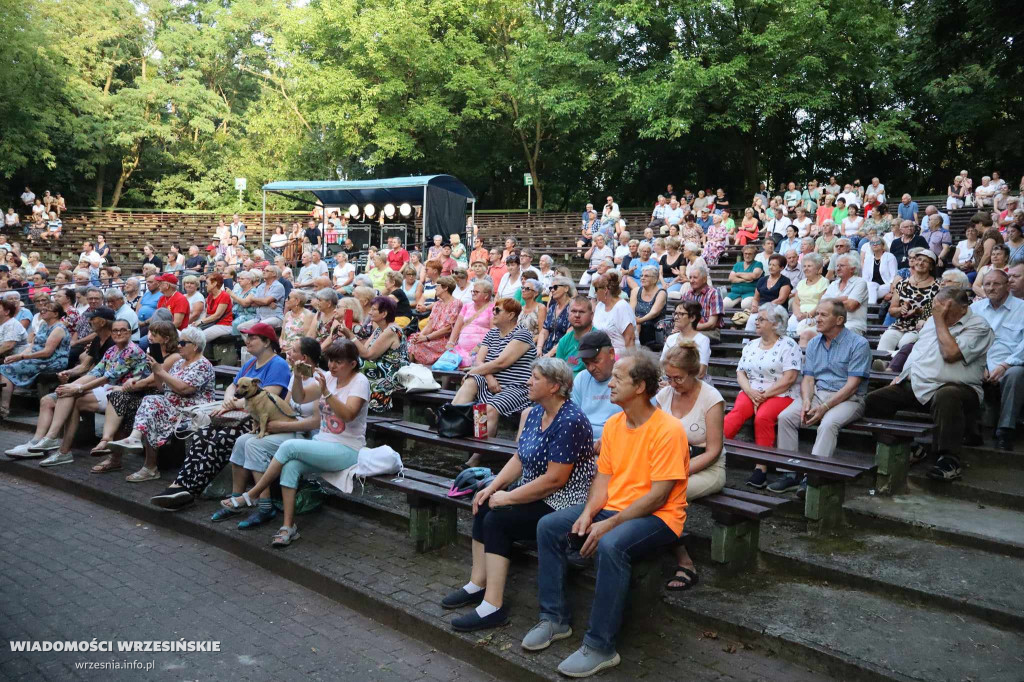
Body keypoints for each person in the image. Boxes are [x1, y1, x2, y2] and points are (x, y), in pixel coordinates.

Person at [525, 349, 687, 678]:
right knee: (549, 527)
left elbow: (658, 496)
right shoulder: (614, 425)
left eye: (618, 378)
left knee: (612, 545)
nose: (609, 383)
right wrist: (588, 514)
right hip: (615, 509)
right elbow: (603, 479)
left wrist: (608, 524)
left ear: (640, 386)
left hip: (660, 518)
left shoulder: (668, 430)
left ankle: (601, 646)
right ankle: (554, 619)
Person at [445, 359, 595, 631]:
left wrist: (509, 498)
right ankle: (477, 584)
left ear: (554, 386)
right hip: (537, 493)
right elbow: (520, 457)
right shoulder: (537, 411)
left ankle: (493, 607)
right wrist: (493, 487)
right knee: (483, 502)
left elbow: (555, 480)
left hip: (563, 502)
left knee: (497, 519)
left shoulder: (571, 420)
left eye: (535, 378)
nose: (528, 382)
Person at [218, 339, 369, 547]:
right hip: (323, 442)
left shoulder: (360, 382)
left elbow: (349, 415)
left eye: (338, 362)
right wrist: (297, 378)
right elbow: (301, 396)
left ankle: (252, 495)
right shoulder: (329, 378)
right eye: (331, 360)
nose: (332, 365)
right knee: (290, 465)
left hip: (348, 448)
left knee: (288, 447)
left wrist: (326, 393)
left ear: (352, 364)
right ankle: (288, 527)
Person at [148, 323, 291, 509]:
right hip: (236, 415)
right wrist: (229, 400)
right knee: (202, 434)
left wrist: (234, 403)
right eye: (247, 337)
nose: (247, 341)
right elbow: (232, 386)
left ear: (267, 342)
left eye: (253, 337)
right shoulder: (250, 363)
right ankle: (179, 484)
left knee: (221, 439)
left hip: (260, 421)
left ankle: (190, 490)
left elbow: (267, 396)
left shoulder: (278, 364)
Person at [864, 288, 993, 481]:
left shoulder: (979, 326)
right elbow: (919, 351)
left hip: (960, 388)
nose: (938, 313)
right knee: (873, 401)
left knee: (946, 395)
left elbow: (950, 354)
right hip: (921, 384)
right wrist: (903, 375)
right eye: (936, 309)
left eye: (945, 309)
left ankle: (949, 460)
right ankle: (909, 446)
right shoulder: (933, 322)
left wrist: (940, 320)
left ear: (964, 308)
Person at [7, 319, 149, 465]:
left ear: (130, 332)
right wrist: (71, 384)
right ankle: (55, 443)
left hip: (125, 394)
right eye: (115, 330)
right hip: (107, 391)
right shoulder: (112, 350)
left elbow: (107, 378)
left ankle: (58, 445)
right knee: (68, 394)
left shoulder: (132, 350)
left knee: (72, 395)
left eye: (123, 330)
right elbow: (95, 372)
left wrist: (79, 388)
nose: (118, 333)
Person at [771, 300, 873, 490]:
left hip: (849, 399)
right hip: (818, 394)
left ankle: (812, 478)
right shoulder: (814, 343)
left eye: (823, 315)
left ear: (839, 320)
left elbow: (852, 386)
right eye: (817, 314)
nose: (817, 319)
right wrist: (807, 400)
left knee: (827, 424)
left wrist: (825, 408)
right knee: (786, 417)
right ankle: (789, 473)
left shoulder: (859, 344)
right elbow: (808, 378)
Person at [657, 341, 725, 590]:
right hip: (669, 464)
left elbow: (714, 451)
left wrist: (678, 472)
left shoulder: (711, 398)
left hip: (705, 467)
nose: (673, 384)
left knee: (663, 495)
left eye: (678, 378)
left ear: (693, 373)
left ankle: (685, 562)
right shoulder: (665, 394)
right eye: (669, 377)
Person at [109, 327, 216, 482]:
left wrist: (161, 371)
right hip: (172, 406)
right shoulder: (180, 362)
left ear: (195, 346)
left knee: (151, 406)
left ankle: (149, 466)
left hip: (190, 411)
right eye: (179, 342)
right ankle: (136, 441)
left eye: (183, 342)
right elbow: (162, 388)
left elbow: (184, 389)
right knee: (150, 402)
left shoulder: (202, 364)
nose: (179, 345)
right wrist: (156, 370)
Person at [725, 303, 801, 479]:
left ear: (775, 324)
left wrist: (763, 396)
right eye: (757, 319)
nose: (756, 322)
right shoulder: (751, 345)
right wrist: (750, 392)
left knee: (763, 417)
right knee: (737, 412)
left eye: (761, 319)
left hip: (782, 393)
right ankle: (712, 449)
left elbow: (789, 378)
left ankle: (761, 466)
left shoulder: (788, 345)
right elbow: (740, 373)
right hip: (751, 391)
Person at [448, 297, 537, 438]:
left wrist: (471, 372)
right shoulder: (491, 333)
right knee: (471, 382)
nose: (493, 312)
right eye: (493, 309)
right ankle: (449, 421)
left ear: (511, 315)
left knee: (487, 409)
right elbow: (479, 360)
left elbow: (501, 363)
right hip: (492, 383)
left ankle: (479, 453)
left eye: (497, 310)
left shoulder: (522, 334)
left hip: (515, 387)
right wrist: (488, 377)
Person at [971, 270, 1024, 451]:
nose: (991, 288)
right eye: (987, 284)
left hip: (1011, 363)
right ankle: (970, 429)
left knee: (1016, 374)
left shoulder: (1021, 308)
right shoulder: (975, 309)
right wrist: (981, 364)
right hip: (980, 362)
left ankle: (1005, 430)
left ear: (1008, 285)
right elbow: (968, 340)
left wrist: (1005, 364)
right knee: (962, 370)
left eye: (996, 284)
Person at [335, 296, 407, 411]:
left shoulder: (392, 330)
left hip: (392, 370)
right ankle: (345, 399)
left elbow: (368, 355)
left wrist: (351, 336)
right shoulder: (379, 329)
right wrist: (347, 336)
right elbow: (364, 348)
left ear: (384, 314)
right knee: (347, 361)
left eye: (373, 309)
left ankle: (353, 403)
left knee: (354, 364)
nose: (369, 312)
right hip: (378, 364)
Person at [0, 300, 70, 418]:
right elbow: (32, 345)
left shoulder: (58, 328)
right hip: (37, 358)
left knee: (5, 368)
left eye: (46, 310)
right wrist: (18, 357)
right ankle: (4, 406)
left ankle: (4, 408)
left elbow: (47, 352)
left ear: (56, 314)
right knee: (8, 364)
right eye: (41, 309)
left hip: (52, 361)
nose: (41, 312)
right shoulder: (43, 325)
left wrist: (22, 356)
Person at [878, 249, 940, 355]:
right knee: (886, 339)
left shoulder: (937, 286)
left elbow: (938, 312)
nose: (920, 263)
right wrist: (900, 310)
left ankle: (894, 367)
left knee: (905, 343)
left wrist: (920, 312)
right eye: (919, 259)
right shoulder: (902, 284)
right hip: (900, 325)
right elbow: (892, 310)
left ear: (931, 267)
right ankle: (880, 366)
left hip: (921, 327)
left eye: (925, 261)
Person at [571, 331, 623, 447]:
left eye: (595, 361)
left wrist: (610, 438)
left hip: (617, 442)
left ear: (611, 353)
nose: (591, 368)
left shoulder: (627, 378)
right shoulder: (582, 378)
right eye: (586, 363)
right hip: (582, 443)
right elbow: (573, 416)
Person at [408, 276, 462, 364]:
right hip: (432, 337)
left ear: (445, 288)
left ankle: (420, 372)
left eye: (438, 286)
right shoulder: (437, 304)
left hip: (444, 339)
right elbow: (430, 325)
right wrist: (420, 336)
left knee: (417, 346)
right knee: (411, 341)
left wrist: (426, 338)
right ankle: (412, 371)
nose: (435, 288)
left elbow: (448, 329)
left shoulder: (456, 303)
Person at [660, 301, 710, 379]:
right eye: (675, 313)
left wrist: (677, 381)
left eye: (681, 314)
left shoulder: (702, 340)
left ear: (692, 318)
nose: (676, 317)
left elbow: (701, 372)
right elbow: (662, 365)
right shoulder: (671, 338)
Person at [823, 254, 869, 335]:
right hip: (830, 324)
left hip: (852, 325)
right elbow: (822, 304)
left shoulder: (860, 282)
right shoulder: (833, 284)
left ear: (852, 269)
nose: (838, 268)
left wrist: (831, 301)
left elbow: (851, 306)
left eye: (842, 266)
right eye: (837, 266)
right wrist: (842, 299)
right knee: (809, 333)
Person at [592, 272, 635, 354]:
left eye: (596, 289)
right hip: (602, 354)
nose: (595, 293)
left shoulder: (622, 307)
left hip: (621, 356)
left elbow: (630, 339)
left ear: (605, 290)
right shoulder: (600, 306)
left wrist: (629, 364)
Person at [682, 265, 724, 341]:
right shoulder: (687, 295)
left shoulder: (714, 294)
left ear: (704, 279)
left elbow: (711, 324)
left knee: (689, 338)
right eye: (690, 277)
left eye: (695, 277)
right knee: (672, 337)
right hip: (689, 330)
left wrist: (691, 328)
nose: (691, 280)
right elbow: (681, 316)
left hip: (710, 332)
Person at [630, 267, 666, 349]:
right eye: (641, 275)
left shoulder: (661, 293)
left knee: (645, 327)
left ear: (655, 279)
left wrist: (639, 321)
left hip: (653, 329)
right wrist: (635, 321)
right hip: (636, 325)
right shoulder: (635, 291)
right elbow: (631, 309)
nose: (642, 278)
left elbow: (654, 313)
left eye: (646, 276)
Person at [555, 296, 594, 374]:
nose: (577, 315)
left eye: (582, 312)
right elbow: (558, 372)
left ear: (591, 315)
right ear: (568, 314)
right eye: (573, 311)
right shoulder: (564, 341)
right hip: (566, 383)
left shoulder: (599, 339)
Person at [538, 276, 573, 356]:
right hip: (546, 350)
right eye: (551, 288)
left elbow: (567, 338)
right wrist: (539, 348)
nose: (552, 290)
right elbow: (544, 331)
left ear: (566, 288)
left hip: (563, 352)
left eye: (555, 287)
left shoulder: (573, 308)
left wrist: (549, 354)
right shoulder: (552, 307)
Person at [723, 245, 763, 310]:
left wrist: (738, 274)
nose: (747, 256)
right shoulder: (737, 265)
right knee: (724, 304)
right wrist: (745, 280)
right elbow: (731, 278)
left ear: (754, 255)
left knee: (745, 305)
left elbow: (754, 276)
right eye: (745, 253)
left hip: (750, 292)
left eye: (750, 254)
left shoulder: (758, 264)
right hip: (735, 293)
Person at [862, 238, 899, 304]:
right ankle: (872, 306)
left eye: (878, 242)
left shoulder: (890, 257)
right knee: (871, 286)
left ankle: (871, 307)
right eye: (872, 243)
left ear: (883, 245)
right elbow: (865, 277)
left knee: (870, 289)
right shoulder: (868, 259)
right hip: (871, 287)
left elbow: (894, 275)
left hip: (887, 285)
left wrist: (891, 292)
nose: (875, 244)